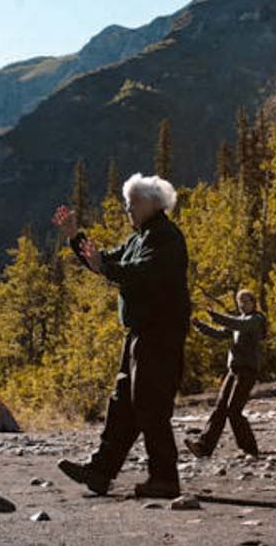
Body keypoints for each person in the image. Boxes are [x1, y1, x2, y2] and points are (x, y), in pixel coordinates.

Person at [52, 173, 192, 499]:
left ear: (149, 204)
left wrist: (104, 265)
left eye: (130, 205)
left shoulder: (166, 238)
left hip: (161, 334)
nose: (126, 210)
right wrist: (76, 237)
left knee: (150, 403)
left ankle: (165, 478)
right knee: (122, 404)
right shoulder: (138, 238)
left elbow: (142, 273)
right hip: (140, 334)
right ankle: (100, 472)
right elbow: (105, 263)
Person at [184, 289, 266, 459]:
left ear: (253, 302)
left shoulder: (256, 319)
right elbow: (220, 334)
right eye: (239, 301)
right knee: (221, 408)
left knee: (233, 410)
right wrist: (200, 326)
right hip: (234, 370)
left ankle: (250, 450)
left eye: (245, 301)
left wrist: (215, 315)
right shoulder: (240, 321)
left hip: (247, 370)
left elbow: (238, 325)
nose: (242, 304)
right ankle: (203, 447)